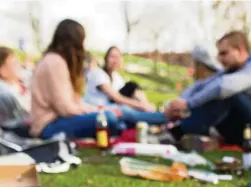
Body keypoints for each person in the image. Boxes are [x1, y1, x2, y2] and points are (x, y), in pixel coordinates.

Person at [31, 20, 168, 140]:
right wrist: (101, 112)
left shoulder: (56, 61)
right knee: (110, 118)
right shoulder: (55, 62)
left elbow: (76, 103)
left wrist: (102, 110)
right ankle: (166, 118)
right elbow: (66, 109)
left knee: (115, 115)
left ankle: (161, 119)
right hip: (48, 127)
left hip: (59, 121)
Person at [163, 31, 251, 147]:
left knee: (227, 95)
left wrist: (189, 104)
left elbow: (222, 87)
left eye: (224, 53)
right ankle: (180, 130)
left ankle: (178, 133)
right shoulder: (234, 70)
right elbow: (202, 85)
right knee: (210, 92)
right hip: (245, 130)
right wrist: (178, 103)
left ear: (240, 50)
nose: (219, 59)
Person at [84, 46, 156, 112]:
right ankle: (149, 110)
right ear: (106, 59)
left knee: (131, 86)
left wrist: (144, 104)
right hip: (97, 110)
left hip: (112, 108)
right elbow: (117, 98)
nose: (115, 61)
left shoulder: (117, 78)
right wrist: (141, 105)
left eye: (118, 58)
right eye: (112, 57)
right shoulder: (98, 73)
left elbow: (128, 93)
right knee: (131, 90)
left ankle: (148, 110)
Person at [0, 46, 32, 138]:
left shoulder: (15, 81)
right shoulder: (3, 96)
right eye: (15, 64)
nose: (20, 66)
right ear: (3, 71)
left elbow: (27, 74)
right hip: (17, 131)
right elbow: (23, 116)